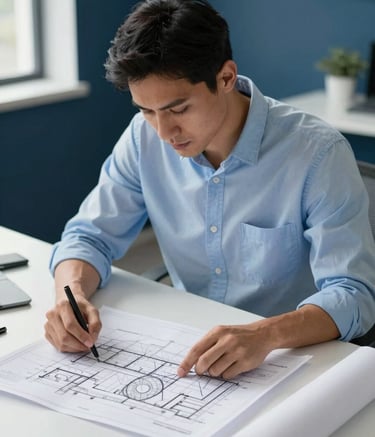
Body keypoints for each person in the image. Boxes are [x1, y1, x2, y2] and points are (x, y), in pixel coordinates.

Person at [45, 0, 375, 380]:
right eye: (145, 111)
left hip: (289, 358)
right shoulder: (142, 139)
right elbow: (89, 236)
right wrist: (70, 296)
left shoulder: (317, 154)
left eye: (178, 109)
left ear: (225, 77)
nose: (163, 133)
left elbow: (353, 293)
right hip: (188, 348)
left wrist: (265, 334)